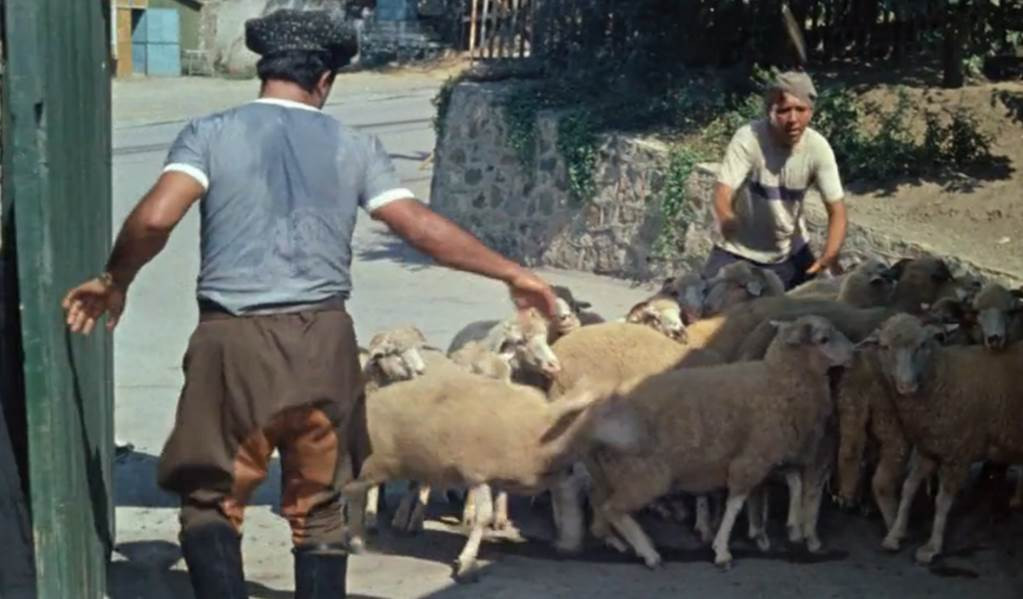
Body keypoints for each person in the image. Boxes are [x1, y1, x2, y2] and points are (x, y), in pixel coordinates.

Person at [61, 8, 558, 599]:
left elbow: (156, 216)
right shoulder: (356, 145)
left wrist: (115, 279)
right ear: (325, 80)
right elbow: (419, 228)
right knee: (321, 505)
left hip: (234, 345)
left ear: (263, 70)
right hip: (325, 343)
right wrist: (512, 272)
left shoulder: (210, 133)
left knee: (212, 500)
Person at [703, 70, 848, 291]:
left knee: (810, 309)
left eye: (800, 110)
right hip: (736, 251)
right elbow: (724, 189)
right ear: (769, 111)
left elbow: (836, 210)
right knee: (705, 306)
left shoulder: (818, 149)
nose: (793, 119)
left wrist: (830, 253)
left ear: (811, 111)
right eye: (783, 111)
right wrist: (726, 217)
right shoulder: (749, 138)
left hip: (788, 254)